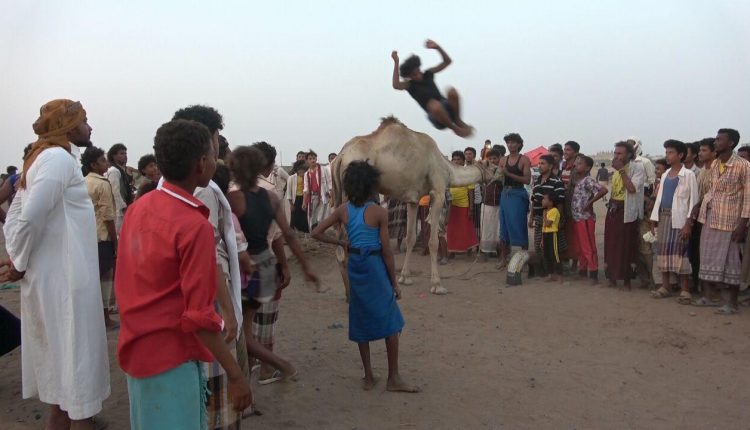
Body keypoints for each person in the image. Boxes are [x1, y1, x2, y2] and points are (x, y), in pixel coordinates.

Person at [116, 119, 252, 429]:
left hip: (138, 351)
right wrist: (236, 374)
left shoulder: (141, 206)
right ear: (203, 163)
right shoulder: (193, 226)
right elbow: (198, 318)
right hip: (171, 359)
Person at [1, 99, 110, 430]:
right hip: (66, 281)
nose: (89, 127)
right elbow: (28, 215)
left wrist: (21, 257)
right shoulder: (56, 159)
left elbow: (16, 216)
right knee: (78, 387)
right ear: (67, 126)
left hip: (56, 278)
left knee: (64, 390)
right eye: (84, 122)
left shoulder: (42, 159)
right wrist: (19, 261)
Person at [311, 161, 420, 393]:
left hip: (356, 266)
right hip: (374, 265)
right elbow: (387, 252)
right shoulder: (379, 212)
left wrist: (342, 242)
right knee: (391, 321)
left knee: (360, 317)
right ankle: (393, 378)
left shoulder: (343, 210)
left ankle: (368, 376)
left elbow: (316, 232)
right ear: (372, 186)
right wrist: (394, 284)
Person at [172, 104, 246, 428]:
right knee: (219, 397)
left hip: (195, 298)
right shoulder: (204, 190)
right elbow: (211, 255)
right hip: (211, 302)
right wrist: (228, 312)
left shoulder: (176, 187)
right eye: (217, 136)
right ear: (208, 140)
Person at [227, 146, 319, 384]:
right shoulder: (270, 196)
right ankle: (261, 369)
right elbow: (287, 234)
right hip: (267, 266)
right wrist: (305, 266)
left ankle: (280, 365)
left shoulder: (233, 197)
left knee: (242, 333)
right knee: (249, 329)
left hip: (248, 269)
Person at [694, 129, 749, 315]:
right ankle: (709, 297)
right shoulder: (716, 164)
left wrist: (742, 224)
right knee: (708, 257)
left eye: (719, 139)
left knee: (730, 261)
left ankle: (731, 303)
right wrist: (699, 207)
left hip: (731, 220)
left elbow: (749, 197)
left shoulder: (743, 166)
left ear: (731, 143)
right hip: (710, 217)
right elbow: (712, 190)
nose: (716, 142)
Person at [649, 140, 699, 304]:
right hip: (663, 217)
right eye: (666, 152)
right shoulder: (664, 175)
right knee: (663, 251)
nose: (667, 156)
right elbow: (659, 199)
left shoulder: (689, 175)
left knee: (681, 252)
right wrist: (654, 219)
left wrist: (688, 223)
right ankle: (665, 286)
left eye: (671, 152)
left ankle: (685, 289)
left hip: (680, 219)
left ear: (680, 155)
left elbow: (694, 201)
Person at [391, 39, 473, 138]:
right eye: (413, 75)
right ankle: (454, 128)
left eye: (417, 72)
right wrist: (396, 62)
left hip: (446, 107)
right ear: (409, 77)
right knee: (434, 104)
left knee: (451, 91)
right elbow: (396, 85)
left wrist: (438, 47)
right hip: (435, 116)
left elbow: (447, 62)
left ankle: (457, 120)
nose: (417, 76)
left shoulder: (428, 73)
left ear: (419, 68)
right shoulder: (410, 85)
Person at [81, 146, 119, 330]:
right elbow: (108, 216)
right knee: (103, 279)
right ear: (93, 164)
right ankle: (104, 318)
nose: (106, 163)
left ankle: (97, 318)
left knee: (92, 279)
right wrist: (115, 242)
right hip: (102, 236)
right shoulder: (102, 183)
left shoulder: (83, 182)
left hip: (87, 236)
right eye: (102, 160)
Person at [604, 141, 645, 289]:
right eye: (615, 153)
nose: (617, 156)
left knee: (626, 245)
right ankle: (612, 278)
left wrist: (621, 171)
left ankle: (627, 279)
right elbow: (613, 190)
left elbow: (632, 188)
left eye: (620, 153)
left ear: (629, 154)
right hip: (614, 209)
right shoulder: (615, 169)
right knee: (611, 244)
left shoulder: (637, 168)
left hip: (627, 211)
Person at [570, 155, 608, 284]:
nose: (576, 165)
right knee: (580, 247)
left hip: (585, 218)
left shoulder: (588, 180)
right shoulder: (579, 180)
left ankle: (593, 272)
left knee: (588, 246)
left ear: (587, 167)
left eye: (580, 164)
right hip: (577, 218)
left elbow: (603, 190)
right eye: (576, 163)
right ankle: (583, 269)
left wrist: (590, 203)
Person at [529, 155, 565, 277]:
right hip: (539, 217)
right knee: (538, 244)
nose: (539, 165)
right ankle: (544, 270)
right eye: (538, 163)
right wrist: (531, 217)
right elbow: (533, 200)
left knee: (551, 246)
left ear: (550, 166)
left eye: (542, 163)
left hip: (551, 219)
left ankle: (554, 271)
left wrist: (558, 220)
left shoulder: (557, 182)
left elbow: (560, 202)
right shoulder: (537, 180)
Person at [689, 138, 717, 295]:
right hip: (699, 217)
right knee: (697, 253)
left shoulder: (717, 171)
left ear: (714, 153)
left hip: (713, 216)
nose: (700, 153)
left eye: (704, 150)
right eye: (699, 150)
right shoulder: (702, 173)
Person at [499, 133, 531, 266]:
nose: (510, 145)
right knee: (504, 226)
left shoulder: (524, 159)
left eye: (513, 142)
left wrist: (509, 174)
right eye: (508, 142)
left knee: (519, 225)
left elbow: (527, 180)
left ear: (519, 144)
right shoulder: (502, 160)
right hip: (505, 194)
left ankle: (524, 258)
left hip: (518, 194)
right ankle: (503, 259)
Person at [447, 151, 478, 256]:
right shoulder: (449, 173)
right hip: (451, 205)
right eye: (454, 159)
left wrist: (471, 208)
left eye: (458, 159)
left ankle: (467, 249)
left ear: (463, 161)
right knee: (452, 229)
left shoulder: (467, 173)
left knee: (465, 229)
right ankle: (452, 251)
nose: (456, 161)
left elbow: (471, 192)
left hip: (464, 204)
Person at [479, 148, 503, 259]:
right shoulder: (484, 170)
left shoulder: (502, 171)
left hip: (499, 203)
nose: (493, 160)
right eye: (490, 158)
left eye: (495, 158)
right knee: (486, 228)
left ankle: (496, 250)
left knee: (497, 228)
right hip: (487, 203)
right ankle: (485, 250)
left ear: (499, 159)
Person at [106, 143, 133, 233]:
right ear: (114, 156)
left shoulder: (122, 170)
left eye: (125, 153)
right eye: (121, 153)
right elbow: (115, 192)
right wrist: (123, 208)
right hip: (119, 211)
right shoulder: (114, 171)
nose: (125, 156)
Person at [302, 150, 332, 230]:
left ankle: (320, 231)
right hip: (312, 197)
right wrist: (304, 202)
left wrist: (331, 193)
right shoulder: (306, 174)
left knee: (321, 216)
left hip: (323, 195)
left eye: (314, 158)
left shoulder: (323, 169)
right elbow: (306, 189)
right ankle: (314, 232)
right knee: (312, 216)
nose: (312, 160)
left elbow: (329, 182)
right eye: (310, 158)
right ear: (307, 160)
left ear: (316, 159)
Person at [540, 192, 562, 283]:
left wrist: (545, 215)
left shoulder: (554, 211)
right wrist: (542, 239)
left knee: (555, 255)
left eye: (544, 199)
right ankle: (550, 275)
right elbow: (544, 227)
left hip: (552, 234)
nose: (542, 201)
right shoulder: (546, 211)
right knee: (547, 255)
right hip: (545, 234)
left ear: (551, 202)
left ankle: (560, 275)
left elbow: (548, 224)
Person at [286, 160, 310, 233]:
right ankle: (295, 228)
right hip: (296, 198)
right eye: (300, 169)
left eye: (303, 170)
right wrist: (291, 204)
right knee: (295, 214)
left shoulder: (307, 177)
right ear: (297, 169)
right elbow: (289, 191)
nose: (302, 172)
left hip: (304, 197)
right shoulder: (291, 178)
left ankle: (305, 229)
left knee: (304, 214)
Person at [465, 146, 482, 238]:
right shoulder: (462, 168)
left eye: (470, 154)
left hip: (476, 199)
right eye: (466, 154)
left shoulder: (478, 168)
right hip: (464, 200)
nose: (468, 156)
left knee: (476, 222)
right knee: (467, 221)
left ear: (474, 156)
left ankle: (477, 241)